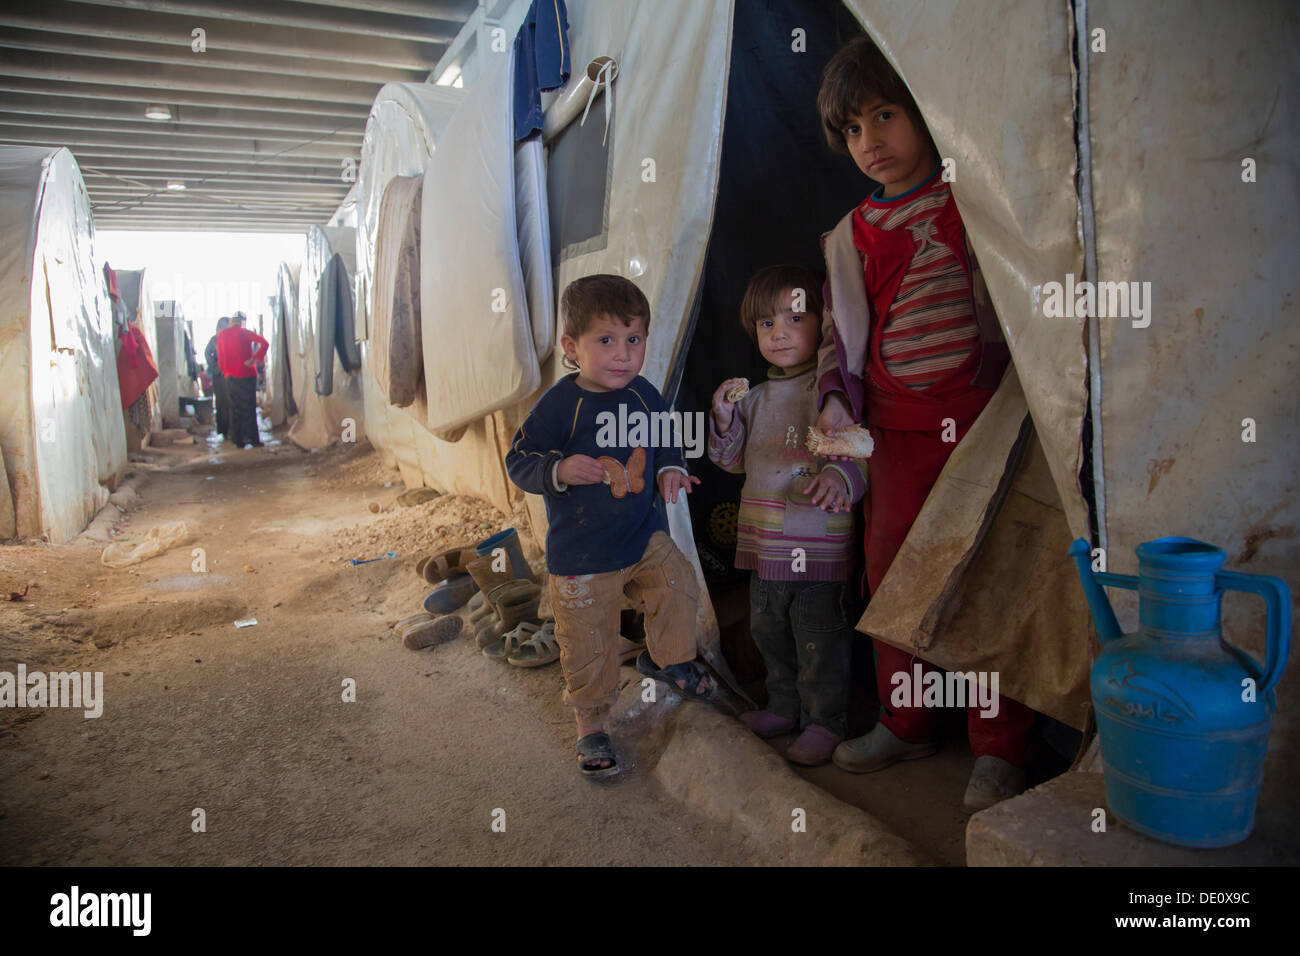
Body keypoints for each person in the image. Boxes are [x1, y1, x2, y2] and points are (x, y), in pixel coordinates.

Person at [814, 36, 1033, 809]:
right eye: (852, 128)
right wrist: (841, 445)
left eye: (885, 114)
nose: (870, 141)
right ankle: (906, 723)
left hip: (985, 424)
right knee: (893, 578)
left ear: (926, 111)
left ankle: (1000, 745)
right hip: (897, 437)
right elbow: (839, 346)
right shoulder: (849, 238)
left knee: (983, 577)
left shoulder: (973, 196)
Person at [505, 275, 716, 780]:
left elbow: (666, 440)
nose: (623, 355)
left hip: (643, 536)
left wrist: (669, 469)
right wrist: (557, 469)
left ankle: (671, 660)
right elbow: (519, 460)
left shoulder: (645, 395)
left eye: (634, 340)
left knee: (677, 582)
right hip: (581, 556)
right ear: (571, 347)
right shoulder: (561, 405)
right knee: (589, 643)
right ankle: (592, 725)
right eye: (606, 341)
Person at [707, 265, 868, 766]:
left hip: (817, 548)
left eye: (795, 318)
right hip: (766, 549)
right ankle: (783, 707)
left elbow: (863, 453)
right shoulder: (754, 397)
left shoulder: (832, 396)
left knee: (820, 641)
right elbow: (732, 461)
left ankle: (825, 721)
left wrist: (839, 478)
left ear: (823, 324)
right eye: (766, 324)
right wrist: (724, 419)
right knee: (769, 634)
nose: (779, 333)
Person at [216, 311, 269, 448]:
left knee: (234, 408)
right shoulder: (245, 333)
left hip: (230, 376)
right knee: (249, 407)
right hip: (247, 374)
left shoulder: (221, 335)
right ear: (241, 322)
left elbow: (220, 356)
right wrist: (254, 359)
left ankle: (238, 440)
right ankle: (253, 439)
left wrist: (225, 370)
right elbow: (264, 343)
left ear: (231, 322)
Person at [204, 316, 231, 437]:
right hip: (219, 376)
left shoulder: (232, 338)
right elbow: (207, 353)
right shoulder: (214, 340)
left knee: (232, 402)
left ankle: (233, 430)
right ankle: (224, 430)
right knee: (221, 402)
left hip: (231, 375)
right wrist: (215, 368)